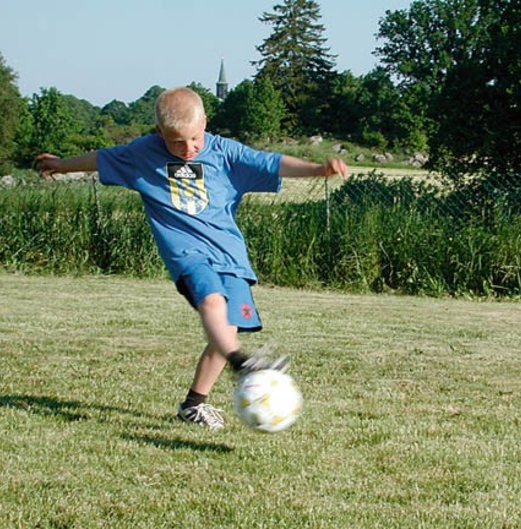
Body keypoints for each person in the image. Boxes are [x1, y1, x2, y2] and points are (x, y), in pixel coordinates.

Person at [36, 86, 348, 431]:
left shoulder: (225, 152)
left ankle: (193, 405)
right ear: (159, 133)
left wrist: (319, 168)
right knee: (212, 303)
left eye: (195, 139)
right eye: (176, 142)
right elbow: (101, 158)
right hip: (187, 254)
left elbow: (271, 162)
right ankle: (243, 364)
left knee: (225, 330)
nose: (188, 149)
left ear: (205, 124)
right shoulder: (143, 153)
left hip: (230, 257)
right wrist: (61, 166)